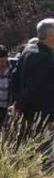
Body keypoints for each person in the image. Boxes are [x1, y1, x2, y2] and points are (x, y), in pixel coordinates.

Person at [18, 20, 54, 158]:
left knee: (31, 149)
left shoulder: (29, 50)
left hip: (27, 110)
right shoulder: (43, 58)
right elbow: (42, 90)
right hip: (41, 114)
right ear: (50, 35)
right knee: (46, 153)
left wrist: (19, 103)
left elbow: (16, 77)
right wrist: (50, 118)